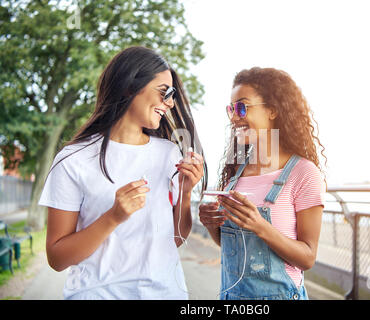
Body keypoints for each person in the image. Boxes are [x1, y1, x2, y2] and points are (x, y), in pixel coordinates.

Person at [38, 46, 207, 300]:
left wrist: (185, 193)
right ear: (130, 87)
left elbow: (175, 239)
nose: (170, 103)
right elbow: (57, 258)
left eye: (172, 95)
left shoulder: (169, 154)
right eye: (164, 92)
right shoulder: (73, 160)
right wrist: (113, 217)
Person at [199, 67, 326, 300]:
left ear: (273, 111)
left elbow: (308, 258)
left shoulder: (304, 173)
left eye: (242, 107)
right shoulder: (236, 174)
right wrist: (211, 225)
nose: (234, 117)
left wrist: (261, 227)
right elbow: (234, 249)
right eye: (231, 109)